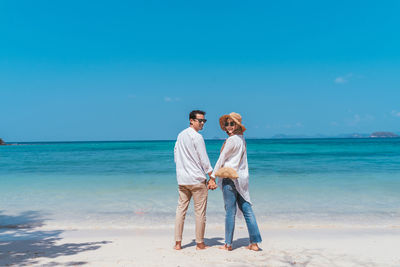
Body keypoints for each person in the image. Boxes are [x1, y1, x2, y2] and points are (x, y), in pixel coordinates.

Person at [210, 112, 262, 251]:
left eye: (231, 124)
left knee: (230, 212)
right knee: (247, 209)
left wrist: (212, 177)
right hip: (242, 178)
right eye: (227, 124)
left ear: (237, 125)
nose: (228, 126)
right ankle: (255, 243)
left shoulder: (232, 140)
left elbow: (221, 159)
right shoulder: (242, 139)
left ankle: (228, 244)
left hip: (230, 178)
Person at [173, 110, 217, 250]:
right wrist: (212, 176)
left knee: (181, 211)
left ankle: (178, 243)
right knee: (200, 213)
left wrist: (182, 169)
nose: (203, 123)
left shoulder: (180, 135)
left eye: (204, 121)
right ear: (191, 120)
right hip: (197, 180)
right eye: (200, 120)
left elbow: (175, 155)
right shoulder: (197, 137)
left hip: (183, 180)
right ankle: (200, 243)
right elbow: (204, 159)